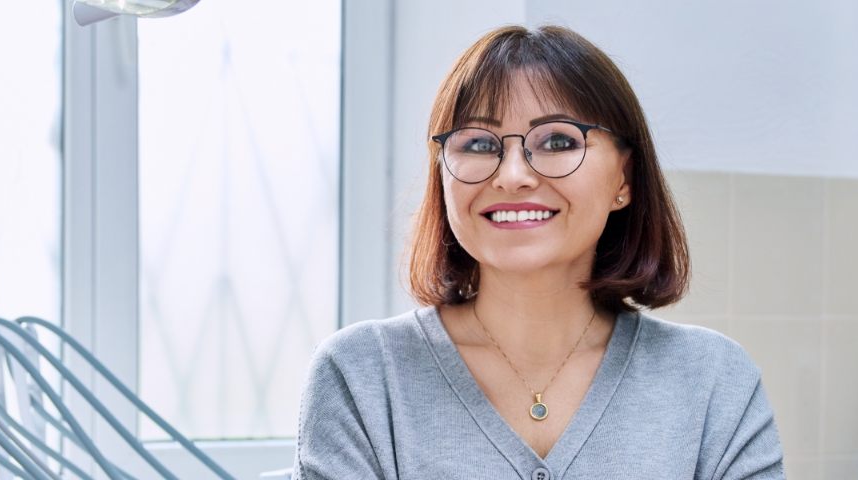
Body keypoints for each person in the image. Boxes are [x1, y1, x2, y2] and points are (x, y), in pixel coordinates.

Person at [293, 24, 784, 479]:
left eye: (557, 140)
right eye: (479, 144)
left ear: (624, 180)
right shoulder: (359, 375)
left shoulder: (713, 379)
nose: (512, 175)